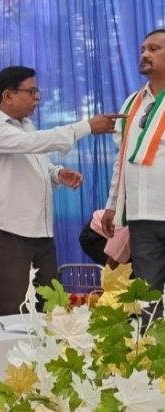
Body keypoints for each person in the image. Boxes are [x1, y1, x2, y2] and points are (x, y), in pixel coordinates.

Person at [0, 65, 120, 316]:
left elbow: (36, 160)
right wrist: (86, 126)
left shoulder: (26, 125)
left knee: (52, 309)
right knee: (16, 311)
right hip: (7, 231)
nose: (38, 97)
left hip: (40, 231)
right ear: (8, 96)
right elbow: (32, 143)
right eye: (31, 91)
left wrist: (57, 174)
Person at [102, 29, 165, 298]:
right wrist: (112, 204)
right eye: (142, 50)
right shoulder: (131, 102)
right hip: (142, 215)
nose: (145, 54)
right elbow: (122, 159)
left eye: (154, 49)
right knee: (148, 295)